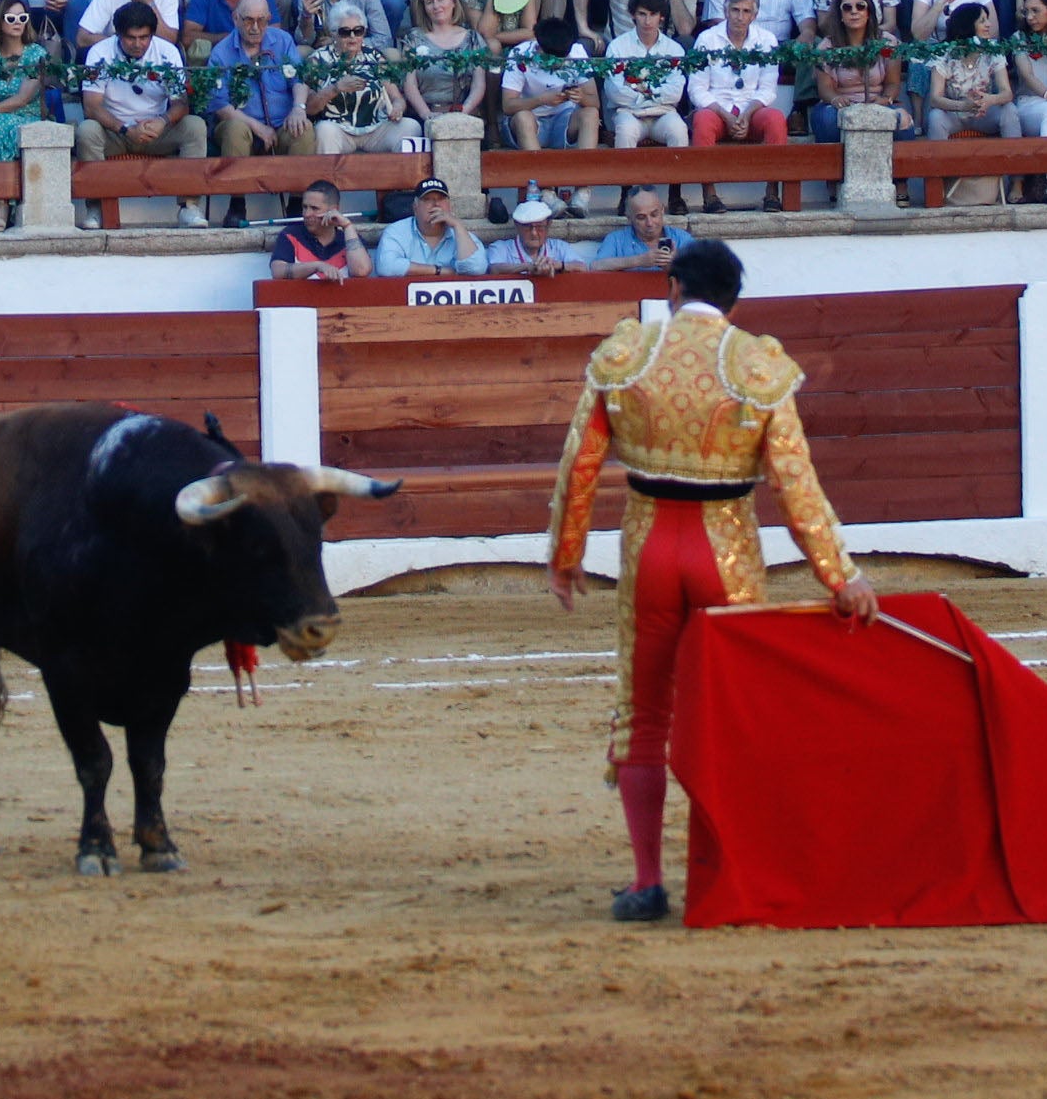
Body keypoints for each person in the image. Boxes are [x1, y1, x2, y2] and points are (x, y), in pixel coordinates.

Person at [541, 236, 877, 925]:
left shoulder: (626, 356)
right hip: (725, 547)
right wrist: (839, 574)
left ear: (672, 287)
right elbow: (795, 483)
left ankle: (646, 882)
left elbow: (580, 463)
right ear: (733, 300)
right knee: (735, 715)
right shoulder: (757, 364)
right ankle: (730, 874)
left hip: (649, 544)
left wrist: (565, 552)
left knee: (644, 711)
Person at [372, 172, 491, 278]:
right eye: (428, 199)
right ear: (415, 208)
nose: (436, 204)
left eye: (441, 199)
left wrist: (457, 225)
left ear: (449, 206)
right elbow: (386, 267)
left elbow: (476, 268)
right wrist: (438, 271)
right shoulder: (396, 231)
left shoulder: (461, 233)